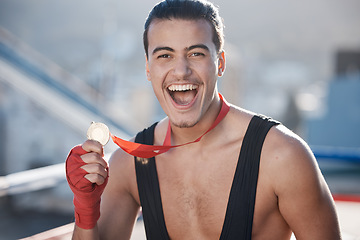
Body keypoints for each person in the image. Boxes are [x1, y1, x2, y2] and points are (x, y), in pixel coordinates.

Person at [65, 0, 341, 239]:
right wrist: (86, 208)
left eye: (196, 53)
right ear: (149, 69)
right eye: (165, 55)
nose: (181, 71)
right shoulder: (130, 162)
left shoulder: (282, 156)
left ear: (220, 63)